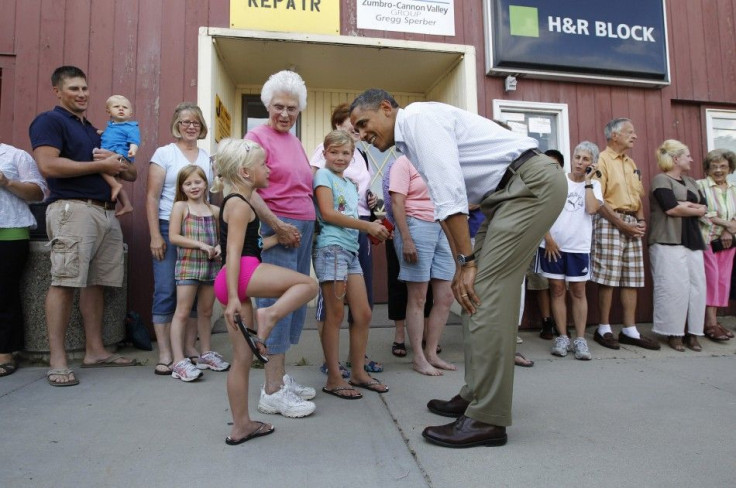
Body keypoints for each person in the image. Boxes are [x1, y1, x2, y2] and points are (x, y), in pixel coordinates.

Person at [350, 89, 566, 448]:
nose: (362, 134)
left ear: (386, 109)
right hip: (507, 195)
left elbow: (450, 193)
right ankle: (475, 394)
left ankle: (487, 419)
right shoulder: (408, 142)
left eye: (363, 123)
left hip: (529, 186)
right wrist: (459, 264)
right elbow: (445, 202)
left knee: (485, 297)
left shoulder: (417, 119)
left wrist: (466, 261)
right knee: (470, 293)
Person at [30, 66, 138, 386]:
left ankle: (95, 351)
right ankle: (58, 359)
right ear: (58, 91)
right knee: (64, 281)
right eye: (74, 88)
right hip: (72, 209)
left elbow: (129, 174)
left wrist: (115, 162)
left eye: (85, 89)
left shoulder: (95, 131)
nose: (81, 94)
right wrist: (100, 165)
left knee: (96, 283)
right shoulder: (50, 121)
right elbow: (48, 165)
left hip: (106, 212)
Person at [211, 137, 318, 441]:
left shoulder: (238, 203)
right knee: (308, 284)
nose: (268, 168)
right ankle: (269, 317)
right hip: (241, 275)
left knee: (242, 358)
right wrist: (233, 298)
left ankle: (241, 424)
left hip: (238, 277)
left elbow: (252, 244)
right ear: (246, 172)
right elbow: (232, 253)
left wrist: (276, 239)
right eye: (263, 164)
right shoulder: (239, 204)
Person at [244, 70, 318, 417]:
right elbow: (249, 190)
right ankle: (271, 391)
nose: (285, 114)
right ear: (267, 106)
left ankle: (281, 377)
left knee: (291, 308)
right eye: (278, 107)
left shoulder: (294, 140)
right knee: (276, 302)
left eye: (292, 108)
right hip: (281, 230)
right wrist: (277, 225)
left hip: (301, 229)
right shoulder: (257, 136)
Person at [313, 130, 390, 399]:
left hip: (351, 250)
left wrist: (374, 221)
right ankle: (334, 378)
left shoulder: (350, 183)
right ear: (325, 154)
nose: (340, 157)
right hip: (331, 249)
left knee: (363, 312)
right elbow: (328, 213)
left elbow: (350, 211)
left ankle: (357, 372)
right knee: (334, 315)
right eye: (334, 152)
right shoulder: (322, 176)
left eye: (345, 153)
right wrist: (367, 225)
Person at [146, 102, 213, 376]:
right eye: (185, 121)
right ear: (177, 124)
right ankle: (165, 352)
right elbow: (151, 196)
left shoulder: (207, 157)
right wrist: (154, 235)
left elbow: (211, 195)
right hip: (167, 226)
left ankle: (189, 347)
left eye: (195, 121)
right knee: (166, 289)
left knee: (197, 288)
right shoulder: (165, 154)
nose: (190, 126)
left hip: (199, 227)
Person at [590, 118, 660, 351]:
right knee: (608, 277)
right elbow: (598, 199)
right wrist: (622, 224)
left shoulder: (631, 163)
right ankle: (604, 328)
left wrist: (640, 221)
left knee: (632, 277)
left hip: (631, 221)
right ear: (614, 135)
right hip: (610, 221)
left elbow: (637, 196)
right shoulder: (601, 159)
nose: (635, 136)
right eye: (630, 132)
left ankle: (630, 330)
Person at [389, 155, 455, 375]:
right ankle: (418, 356)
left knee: (445, 296)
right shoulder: (404, 162)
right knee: (418, 297)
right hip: (415, 225)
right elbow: (396, 202)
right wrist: (406, 238)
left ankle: (431, 353)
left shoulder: (438, 161)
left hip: (441, 226)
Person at [537, 142, 603, 360]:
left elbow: (592, 209)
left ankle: (581, 339)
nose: (579, 162)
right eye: (577, 157)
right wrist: (548, 238)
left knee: (578, 291)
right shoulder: (558, 180)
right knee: (556, 289)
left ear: (591, 164)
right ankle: (563, 336)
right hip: (553, 245)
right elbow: (541, 210)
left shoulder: (594, 185)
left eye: (585, 159)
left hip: (578, 247)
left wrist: (586, 182)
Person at [168, 165, 228, 381]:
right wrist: (200, 245)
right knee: (182, 312)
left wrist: (221, 246)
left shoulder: (215, 210)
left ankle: (206, 353)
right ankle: (178, 361)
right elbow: (174, 236)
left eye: (197, 182)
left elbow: (224, 236)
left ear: (205, 183)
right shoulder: (180, 207)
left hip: (211, 267)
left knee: (205, 312)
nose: (194, 187)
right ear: (182, 187)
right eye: (188, 183)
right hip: (188, 266)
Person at [649, 140, 707, 351]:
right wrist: (693, 208)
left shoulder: (691, 181)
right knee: (672, 288)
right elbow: (670, 208)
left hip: (692, 240)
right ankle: (673, 333)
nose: (691, 159)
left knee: (697, 288)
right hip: (667, 240)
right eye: (688, 155)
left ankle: (694, 333)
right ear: (676, 159)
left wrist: (686, 206)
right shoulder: (660, 180)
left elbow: (705, 206)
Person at [0, 143, 49, 377]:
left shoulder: (14, 155)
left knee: (4, 293)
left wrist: (7, 182)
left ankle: (5, 351)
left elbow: (39, 193)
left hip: (9, 230)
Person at [697, 149, 736, 342]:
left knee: (723, 281)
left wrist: (730, 229)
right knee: (711, 280)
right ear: (707, 168)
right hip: (707, 240)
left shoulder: (734, 188)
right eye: (714, 166)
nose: (719, 170)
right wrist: (726, 224)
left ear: (730, 168)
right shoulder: (700, 186)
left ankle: (714, 321)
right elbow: (702, 212)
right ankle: (709, 323)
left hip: (728, 242)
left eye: (723, 166)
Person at [100, 94, 138, 216]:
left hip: (119, 153)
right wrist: (101, 133)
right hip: (111, 152)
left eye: (125, 108)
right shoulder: (111, 126)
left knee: (98, 163)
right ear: (108, 111)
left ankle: (115, 186)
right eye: (116, 106)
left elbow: (134, 141)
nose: (121, 109)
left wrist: (133, 149)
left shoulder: (131, 127)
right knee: (114, 178)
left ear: (130, 113)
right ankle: (127, 204)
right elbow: (110, 136)